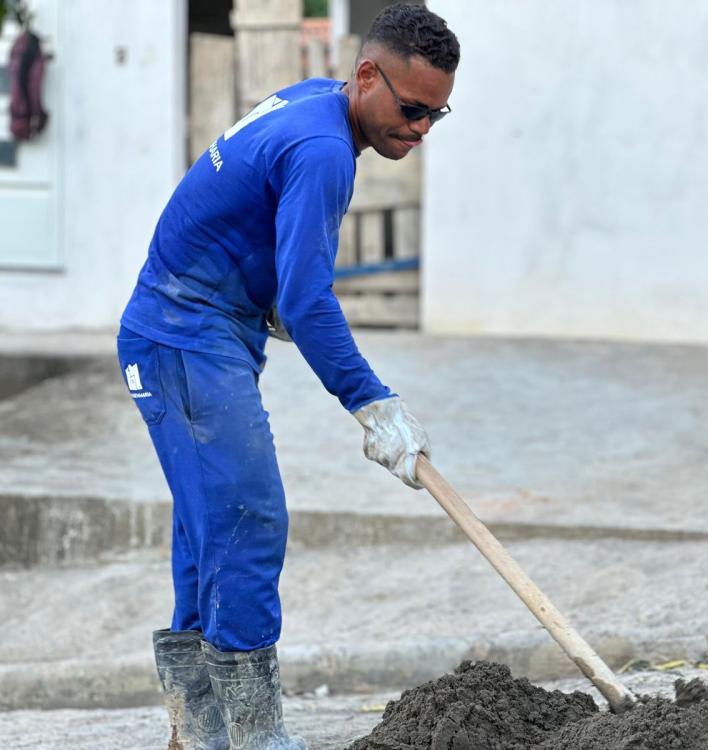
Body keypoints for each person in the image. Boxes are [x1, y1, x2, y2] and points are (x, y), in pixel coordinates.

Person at [115, 5, 459, 748]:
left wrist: (258, 292)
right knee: (248, 518)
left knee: (212, 524)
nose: (421, 129)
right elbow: (308, 301)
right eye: (410, 109)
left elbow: (251, 230)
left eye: (437, 114)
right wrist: (373, 403)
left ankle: (198, 734)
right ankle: (254, 737)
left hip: (191, 328)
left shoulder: (316, 100)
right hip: (183, 336)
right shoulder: (325, 150)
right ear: (367, 75)